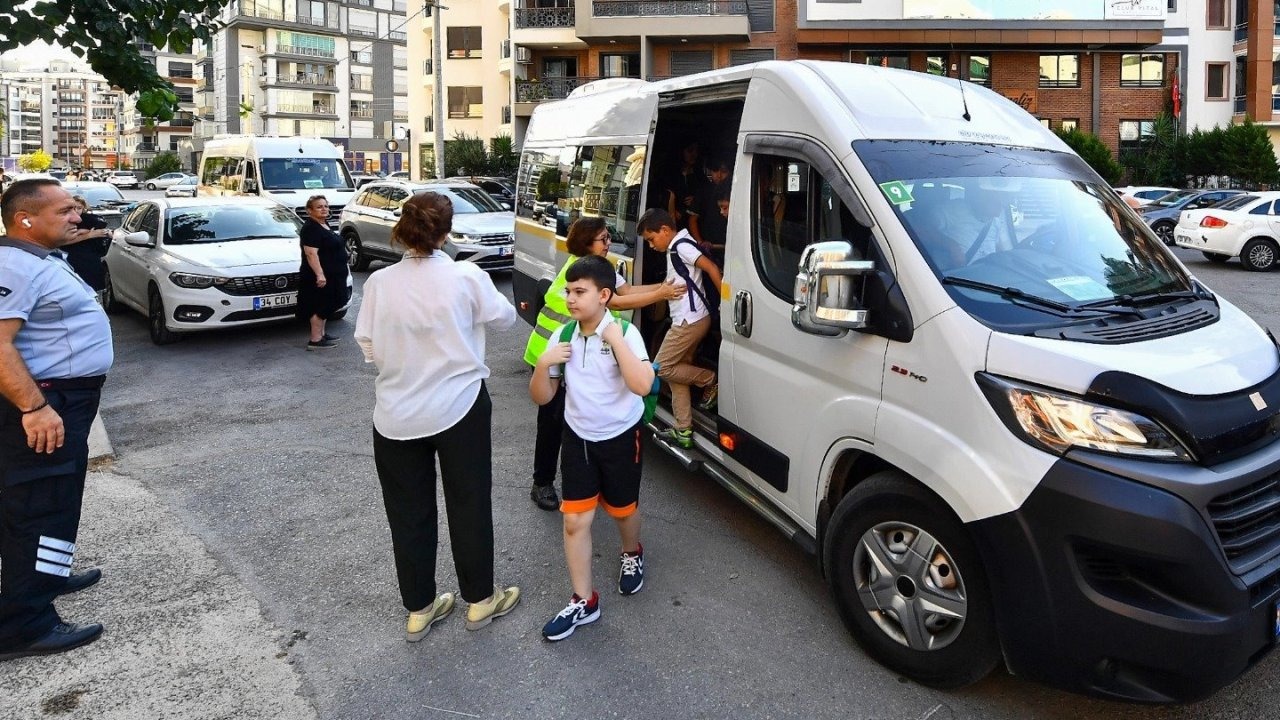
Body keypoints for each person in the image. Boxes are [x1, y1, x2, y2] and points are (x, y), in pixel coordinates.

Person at [354, 191, 521, 642]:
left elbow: (367, 346)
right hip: (459, 405)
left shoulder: (380, 283)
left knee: (407, 513)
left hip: (394, 414)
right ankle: (480, 601)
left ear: (403, 230)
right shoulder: (466, 276)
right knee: (469, 503)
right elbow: (505, 318)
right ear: (446, 232)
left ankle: (418, 609)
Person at [0, 179, 113, 662]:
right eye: (65, 210)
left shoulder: (39, 258)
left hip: (66, 399)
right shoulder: (13, 264)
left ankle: (46, 575)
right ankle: (24, 625)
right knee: (40, 504)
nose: (76, 217)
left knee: (54, 497)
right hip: (46, 404)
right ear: (26, 219)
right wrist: (34, 408)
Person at [529, 254, 655, 641]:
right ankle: (584, 600)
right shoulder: (564, 336)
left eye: (579, 292)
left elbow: (643, 386)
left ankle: (631, 552)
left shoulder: (625, 333)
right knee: (574, 520)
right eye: (568, 290)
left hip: (620, 436)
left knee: (623, 510)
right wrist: (543, 365)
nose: (570, 299)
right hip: (578, 439)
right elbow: (542, 396)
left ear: (604, 295)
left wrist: (615, 340)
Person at [522, 217, 684, 511]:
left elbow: (625, 292)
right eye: (603, 239)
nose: (609, 243)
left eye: (609, 237)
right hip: (550, 352)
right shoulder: (579, 272)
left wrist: (663, 286)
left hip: (582, 353)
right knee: (553, 423)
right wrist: (660, 295)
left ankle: (584, 484)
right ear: (587, 243)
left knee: (580, 415)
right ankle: (542, 482)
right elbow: (616, 304)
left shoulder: (602, 267)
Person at [637, 208, 722, 449]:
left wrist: (726, 301)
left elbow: (712, 269)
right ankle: (683, 429)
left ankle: (710, 379)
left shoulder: (681, 246)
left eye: (652, 239)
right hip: (690, 319)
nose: (652, 246)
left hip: (689, 322)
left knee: (662, 368)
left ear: (665, 230)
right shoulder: (678, 244)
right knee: (677, 374)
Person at [296, 195, 348, 350]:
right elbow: (311, 253)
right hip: (323, 275)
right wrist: (320, 274)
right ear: (309, 211)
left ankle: (322, 334)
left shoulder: (323, 224)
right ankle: (315, 339)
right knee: (325, 304)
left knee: (328, 302)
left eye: (325, 206)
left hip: (335, 274)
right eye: (319, 207)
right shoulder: (311, 228)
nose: (324, 209)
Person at [64, 196, 112, 300]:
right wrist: (88, 235)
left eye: (79, 208)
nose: (76, 211)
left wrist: (106, 233)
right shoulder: (64, 221)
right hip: (70, 261)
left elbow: (104, 230)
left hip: (90, 262)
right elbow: (64, 240)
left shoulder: (90, 220)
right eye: (73, 208)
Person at [664, 141, 704, 231]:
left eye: (696, 151)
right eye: (690, 151)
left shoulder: (699, 174)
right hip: (674, 222)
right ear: (681, 152)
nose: (694, 154)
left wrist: (695, 199)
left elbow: (706, 193)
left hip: (695, 223)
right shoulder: (669, 174)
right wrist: (674, 210)